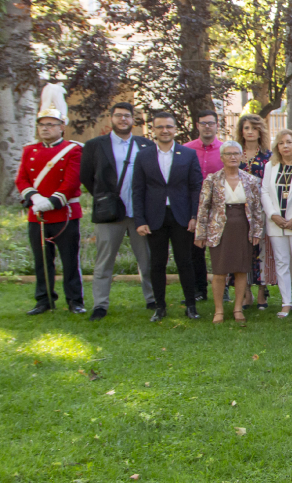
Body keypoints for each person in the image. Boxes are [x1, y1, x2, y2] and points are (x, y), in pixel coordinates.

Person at [80, 102, 154, 319]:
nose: (123, 119)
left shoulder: (145, 145)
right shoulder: (95, 145)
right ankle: (100, 305)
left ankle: (152, 299)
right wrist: (104, 199)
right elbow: (86, 176)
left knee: (147, 259)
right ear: (111, 118)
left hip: (139, 214)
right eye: (119, 116)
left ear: (133, 120)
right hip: (109, 214)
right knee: (104, 261)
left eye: (127, 116)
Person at [19, 84, 85, 316]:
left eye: (50, 125)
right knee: (42, 261)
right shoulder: (30, 150)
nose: (45, 129)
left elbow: (71, 182)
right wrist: (34, 197)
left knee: (69, 261)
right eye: (42, 125)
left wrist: (52, 201)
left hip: (63, 213)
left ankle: (75, 300)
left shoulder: (73, 150)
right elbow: (22, 179)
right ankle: (44, 300)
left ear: (61, 127)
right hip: (37, 214)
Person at [132, 112, 203, 322]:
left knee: (185, 262)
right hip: (154, 218)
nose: (165, 130)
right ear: (153, 130)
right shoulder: (143, 156)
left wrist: (194, 215)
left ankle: (191, 305)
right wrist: (140, 220)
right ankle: (160, 307)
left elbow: (195, 187)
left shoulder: (187, 154)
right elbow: (137, 190)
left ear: (175, 129)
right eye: (160, 127)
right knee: (157, 264)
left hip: (181, 216)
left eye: (169, 127)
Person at [194, 142, 265, 325]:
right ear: (221, 157)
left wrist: (257, 231)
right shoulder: (212, 179)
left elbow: (257, 209)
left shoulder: (250, 180)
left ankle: (238, 308)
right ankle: (218, 310)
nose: (233, 157)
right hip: (219, 228)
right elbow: (203, 208)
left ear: (241, 156)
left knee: (241, 269)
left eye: (236, 153)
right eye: (228, 153)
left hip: (243, 226)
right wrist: (201, 234)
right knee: (219, 271)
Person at [262, 129, 292, 319]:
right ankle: (286, 303)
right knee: (281, 263)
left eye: (289, 142)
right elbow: (264, 192)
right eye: (281, 143)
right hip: (276, 222)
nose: (285, 146)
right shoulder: (270, 166)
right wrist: (273, 215)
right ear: (277, 147)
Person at [183, 109, 223, 302]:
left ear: (217, 125)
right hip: (193, 206)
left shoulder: (225, 150)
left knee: (220, 249)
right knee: (194, 251)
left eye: (211, 123)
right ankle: (199, 290)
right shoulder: (186, 149)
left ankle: (223, 291)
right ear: (197, 125)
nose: (207, 127)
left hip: (219, 208)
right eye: (203, 123)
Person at [235, 113, 273, 309]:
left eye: (254, 128)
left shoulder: (268, 155)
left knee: (261, 249)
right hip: (239, 208)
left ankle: (262, 291)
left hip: (261, 208)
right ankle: (245, 291)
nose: (250, 132)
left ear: (260, 131)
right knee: (243, 250)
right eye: (246, 128)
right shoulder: (235, 153)